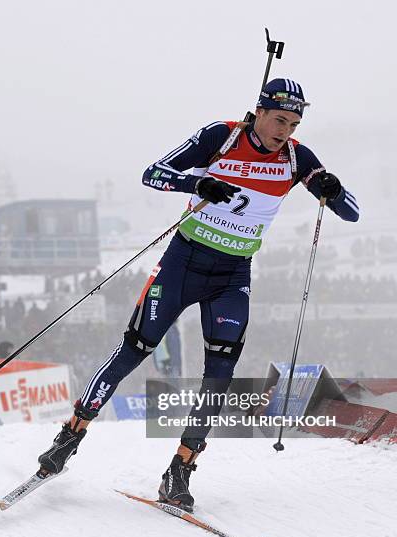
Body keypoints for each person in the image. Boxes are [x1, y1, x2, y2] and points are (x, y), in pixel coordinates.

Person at [38, 78, 359, 510]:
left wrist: (333, 190)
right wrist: (198, 184)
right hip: (183, 263)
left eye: (294, 123)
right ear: (260, 111)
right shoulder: (220, 136)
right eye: (279, 119)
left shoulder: (296, 157)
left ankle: (180, 469)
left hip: (232, 274)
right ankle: (69, 436)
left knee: (219, 375)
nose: (285, 130)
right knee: (135, 349)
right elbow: (153, 173)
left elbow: (351, 212)